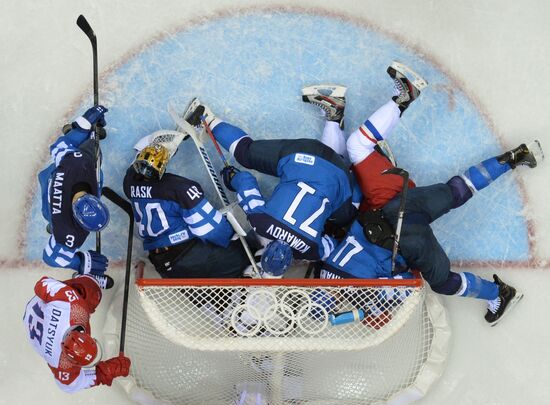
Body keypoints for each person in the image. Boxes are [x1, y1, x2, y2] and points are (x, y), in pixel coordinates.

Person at [312, 63, 543, 324]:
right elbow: (324, 237)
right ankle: (512, 158)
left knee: (444, 277)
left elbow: (408, 281)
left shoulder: (366, 297)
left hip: (409, 240)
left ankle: (500, 292)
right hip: (393, 208)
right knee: (457, 190)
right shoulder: (324, 265)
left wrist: (374, 305)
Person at [183, 97, 358, 275]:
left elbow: (335, 244)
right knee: (245, 153)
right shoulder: (260, 222)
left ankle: (354, 159)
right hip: (302, 156)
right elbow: (246, 181)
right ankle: (206, 117)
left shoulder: (312, 250)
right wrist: (231, 178)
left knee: (344, 216)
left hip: (336, 170)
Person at [123, 139, 252, 278]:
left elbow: (138, 158)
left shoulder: (129, 183)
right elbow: (208, 229)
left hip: (161, 263)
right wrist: (231, 235)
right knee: (244, 256)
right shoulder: (180, 188)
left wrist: (165, 141)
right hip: (185, 257)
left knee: (204, 294)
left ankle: (210, 299)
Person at [22, 274, 130, 392]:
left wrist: (103, 373)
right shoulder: (62, 361)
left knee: (92, 294)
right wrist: (104, 372)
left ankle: (87, 273)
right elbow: (68, 385)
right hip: (33, 325)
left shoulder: (73, 307)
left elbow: (41, 284)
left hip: (38, 307)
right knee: (72, 295)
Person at [38, 105, 111, 277]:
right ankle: (89, 138)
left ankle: (87, 137)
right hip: (55, 213)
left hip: (50, 182)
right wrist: (80, 263)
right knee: (93, 161)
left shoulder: (74, 163)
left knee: (87, 151)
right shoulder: (69, 233)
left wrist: (83, 126)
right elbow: (50, 258)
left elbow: (59, 146)